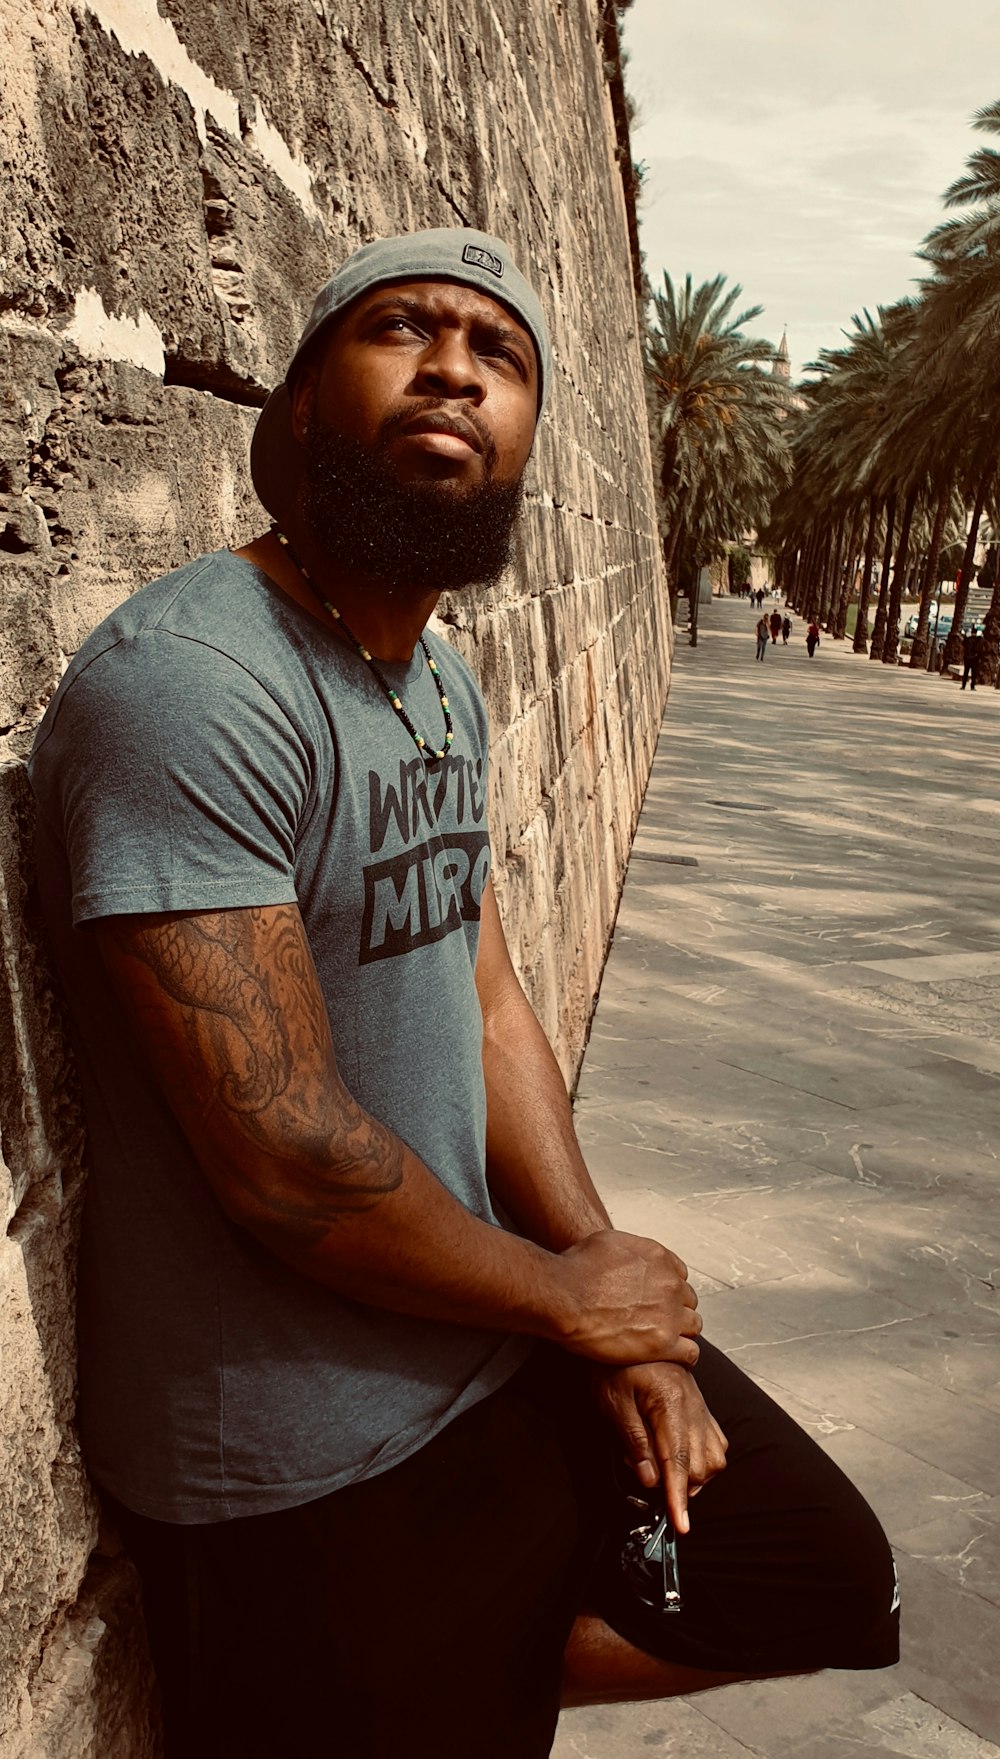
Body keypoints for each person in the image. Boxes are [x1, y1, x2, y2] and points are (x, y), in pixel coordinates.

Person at [28, 227, 898, 1759]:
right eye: (403, 331)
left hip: (468, 1330)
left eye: (499, 356)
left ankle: (449, 1673)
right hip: (293, 1447)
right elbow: (285, 1157)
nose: (454, 370)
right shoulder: (194, 684)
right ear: (298, 407)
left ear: (523, 450)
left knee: (812, 1563)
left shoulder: (437, 676)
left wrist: (605, 1287)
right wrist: (569, 1305)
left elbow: (487, 991)